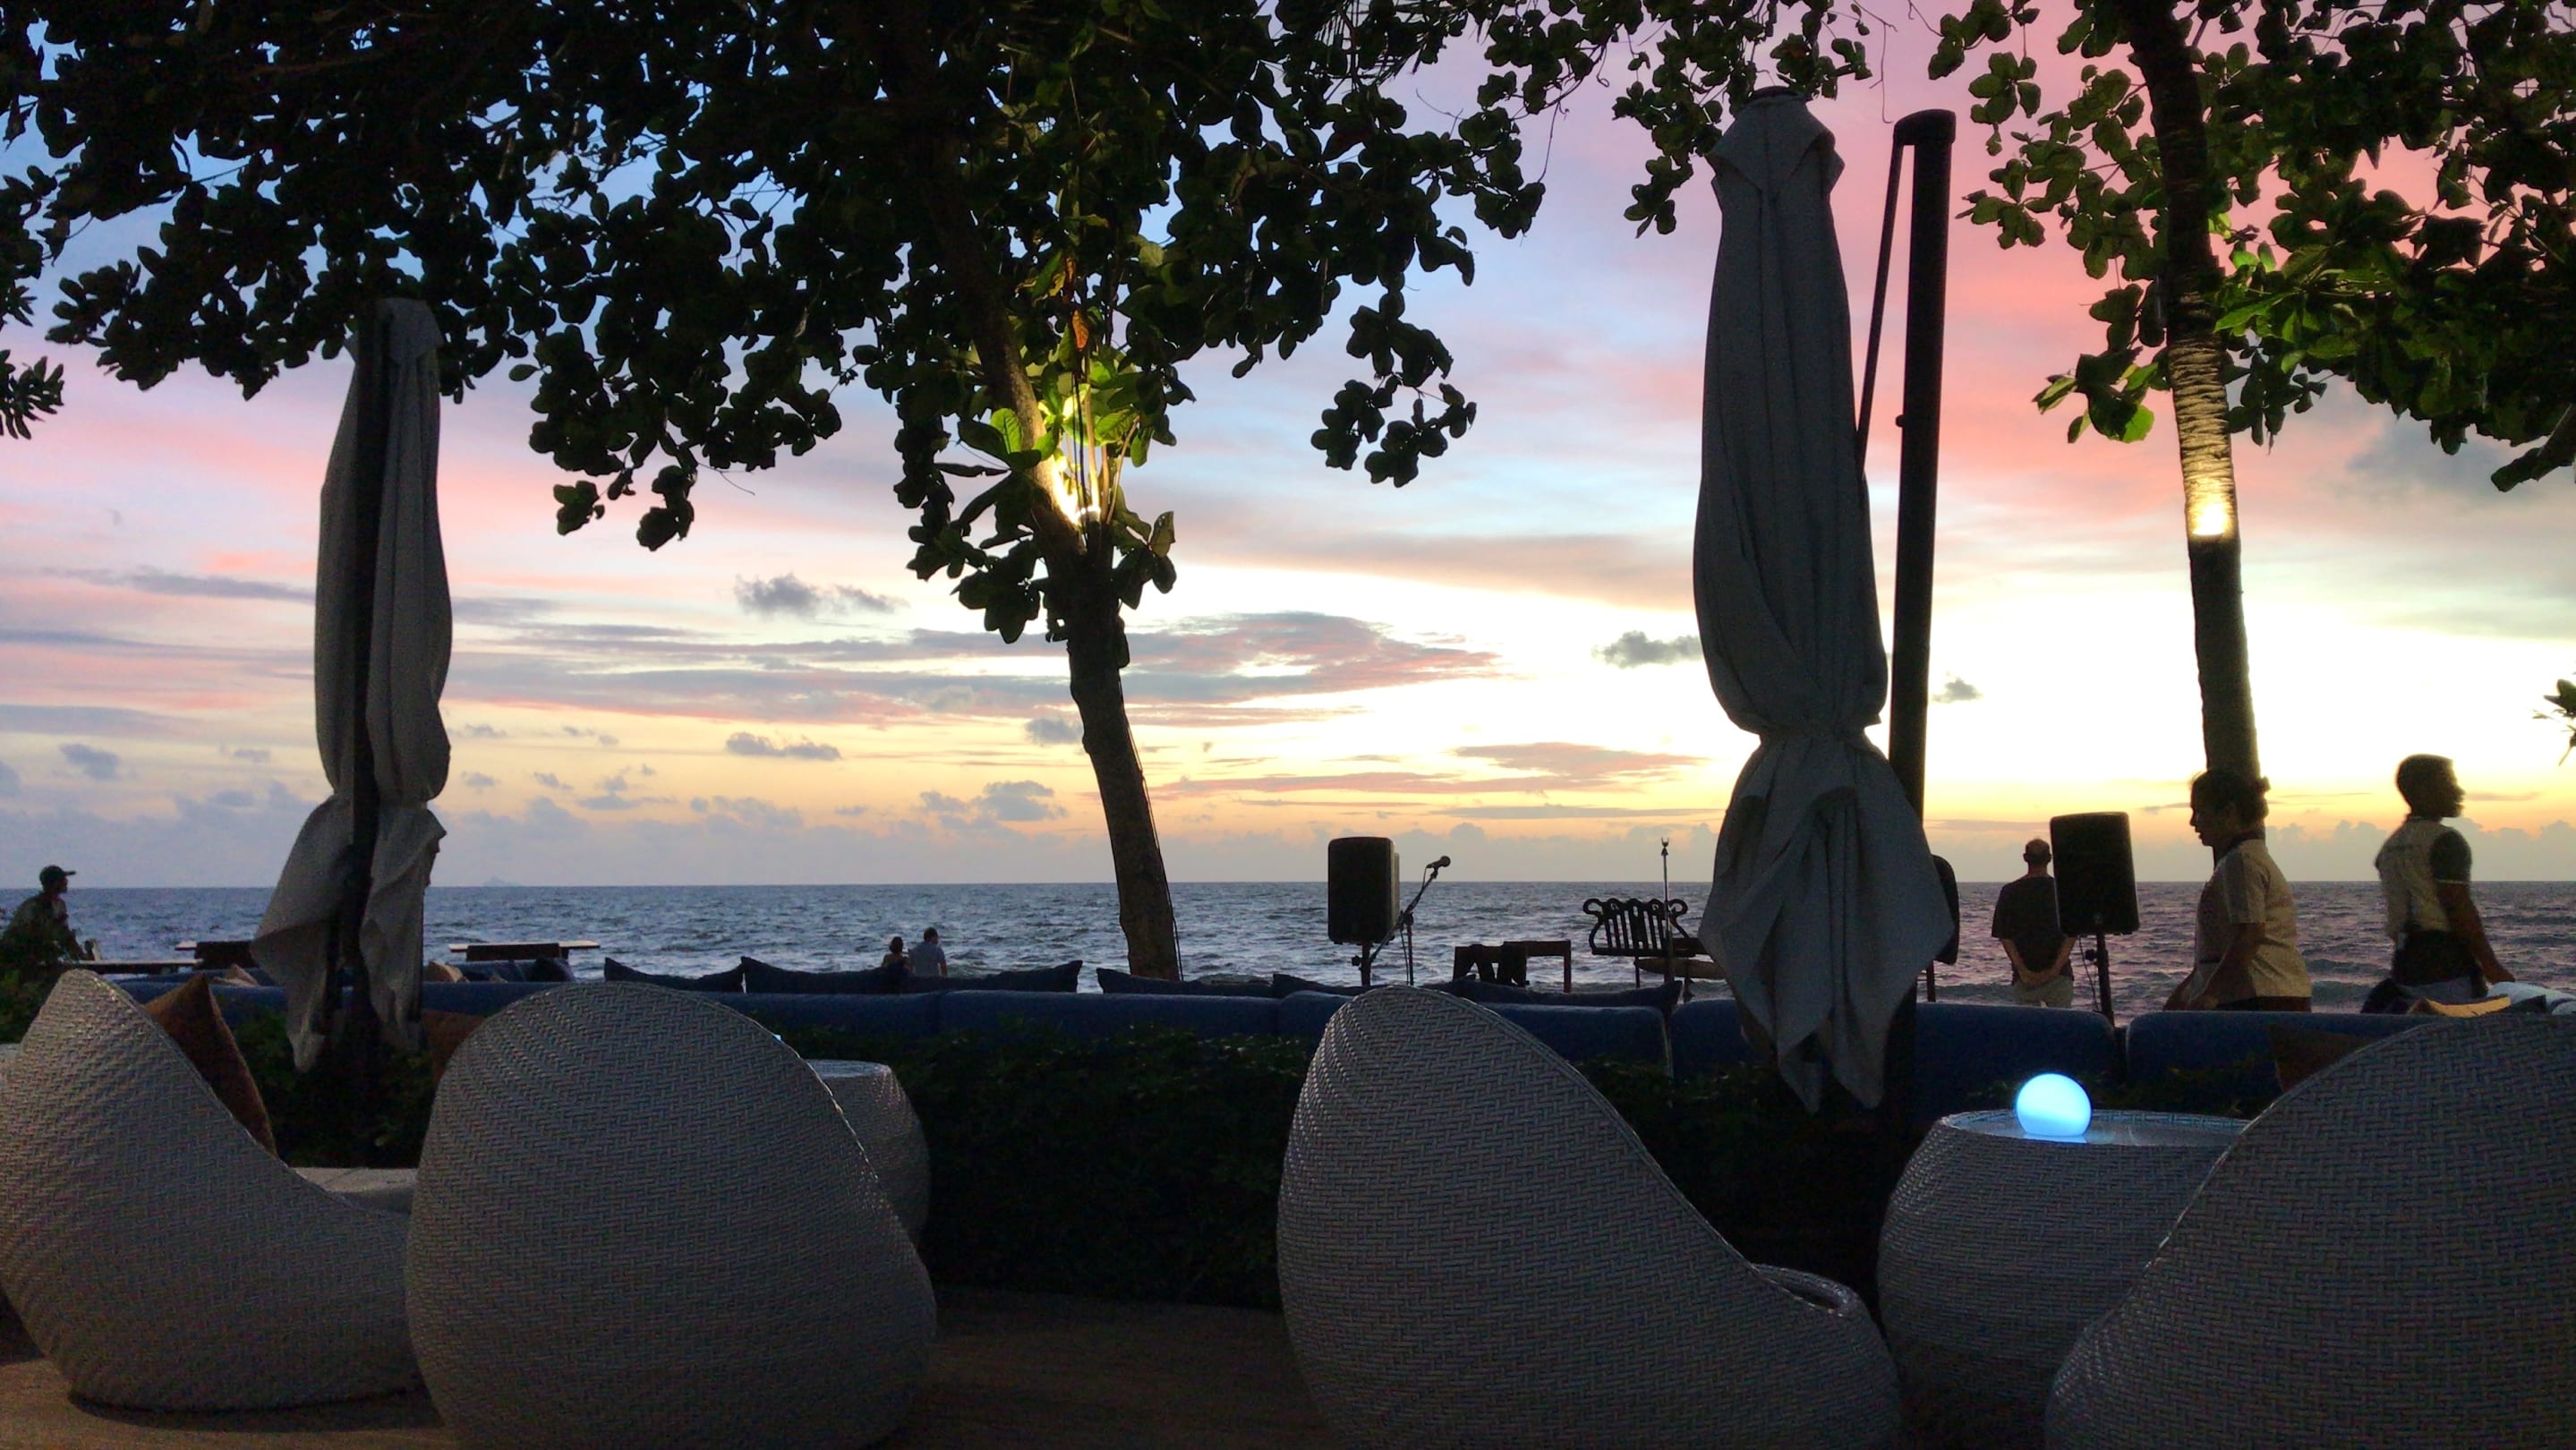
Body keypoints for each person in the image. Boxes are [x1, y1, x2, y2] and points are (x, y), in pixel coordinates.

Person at [2367, 755, 2510, 1011]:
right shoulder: (2445, 841)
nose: (2458, 791)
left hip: (2405, 964)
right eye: (2449, 783)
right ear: (2424, 790)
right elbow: (2458, 908)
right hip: (2446, 961)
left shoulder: (2389, 847)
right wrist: (2492, 967)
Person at [2166, 769, 2311, 1011]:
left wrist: (2210, 994)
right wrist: (2187, 992)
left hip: (2260, 998)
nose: (2193, 822)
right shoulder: (2242, 859)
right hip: (2264, 995)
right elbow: (2221, 948)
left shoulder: (2242, 862)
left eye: (2199, 812)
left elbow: (2250, 933)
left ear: (2228, 813)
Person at [1992, 839, 2075, 1007]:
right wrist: (2054, 970)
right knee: (2062, 1022)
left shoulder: (2010, 891)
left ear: (2025, 858)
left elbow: (2005, 936)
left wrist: (2023, 971)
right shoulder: (2063, 891)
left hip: (2024, 977)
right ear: (2049, 858)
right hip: (2060, 975)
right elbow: (2071, 935)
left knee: (2029, 1023)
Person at [1, 865, 87, 977]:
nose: (67, 882)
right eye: (63, 879)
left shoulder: (59, 905)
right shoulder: (34, 906)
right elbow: (26, 935)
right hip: (16, 956)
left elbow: (65, 935)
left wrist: (82, 957)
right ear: (55, 883)